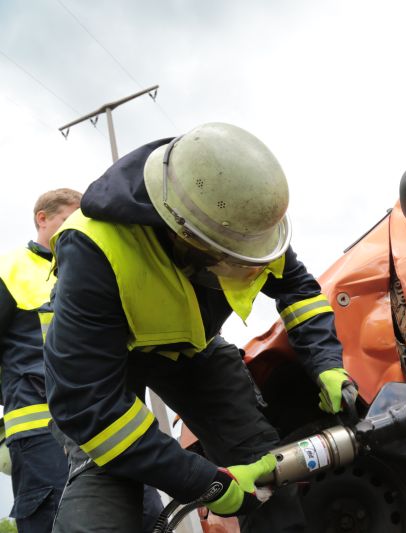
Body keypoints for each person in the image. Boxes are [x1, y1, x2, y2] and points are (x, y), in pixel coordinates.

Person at [44, 123, 352, 532]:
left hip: (195, 351)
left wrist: (328, 363)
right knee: (108, 481)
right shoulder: (94, 248)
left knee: (261, 462)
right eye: (228, 261)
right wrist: (203, 483)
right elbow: (90, 410)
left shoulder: (243, 220)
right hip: (109, 365)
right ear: (181, 234)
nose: (243, 269)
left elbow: (298, 290)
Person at [0, 189, 80, 532]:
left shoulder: (87, 269)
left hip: (103, 421)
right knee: (54, 519)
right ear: (42, 219)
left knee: (140, 514)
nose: (75, 229)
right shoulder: (10, 269)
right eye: (67, 220)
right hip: (39, 429)